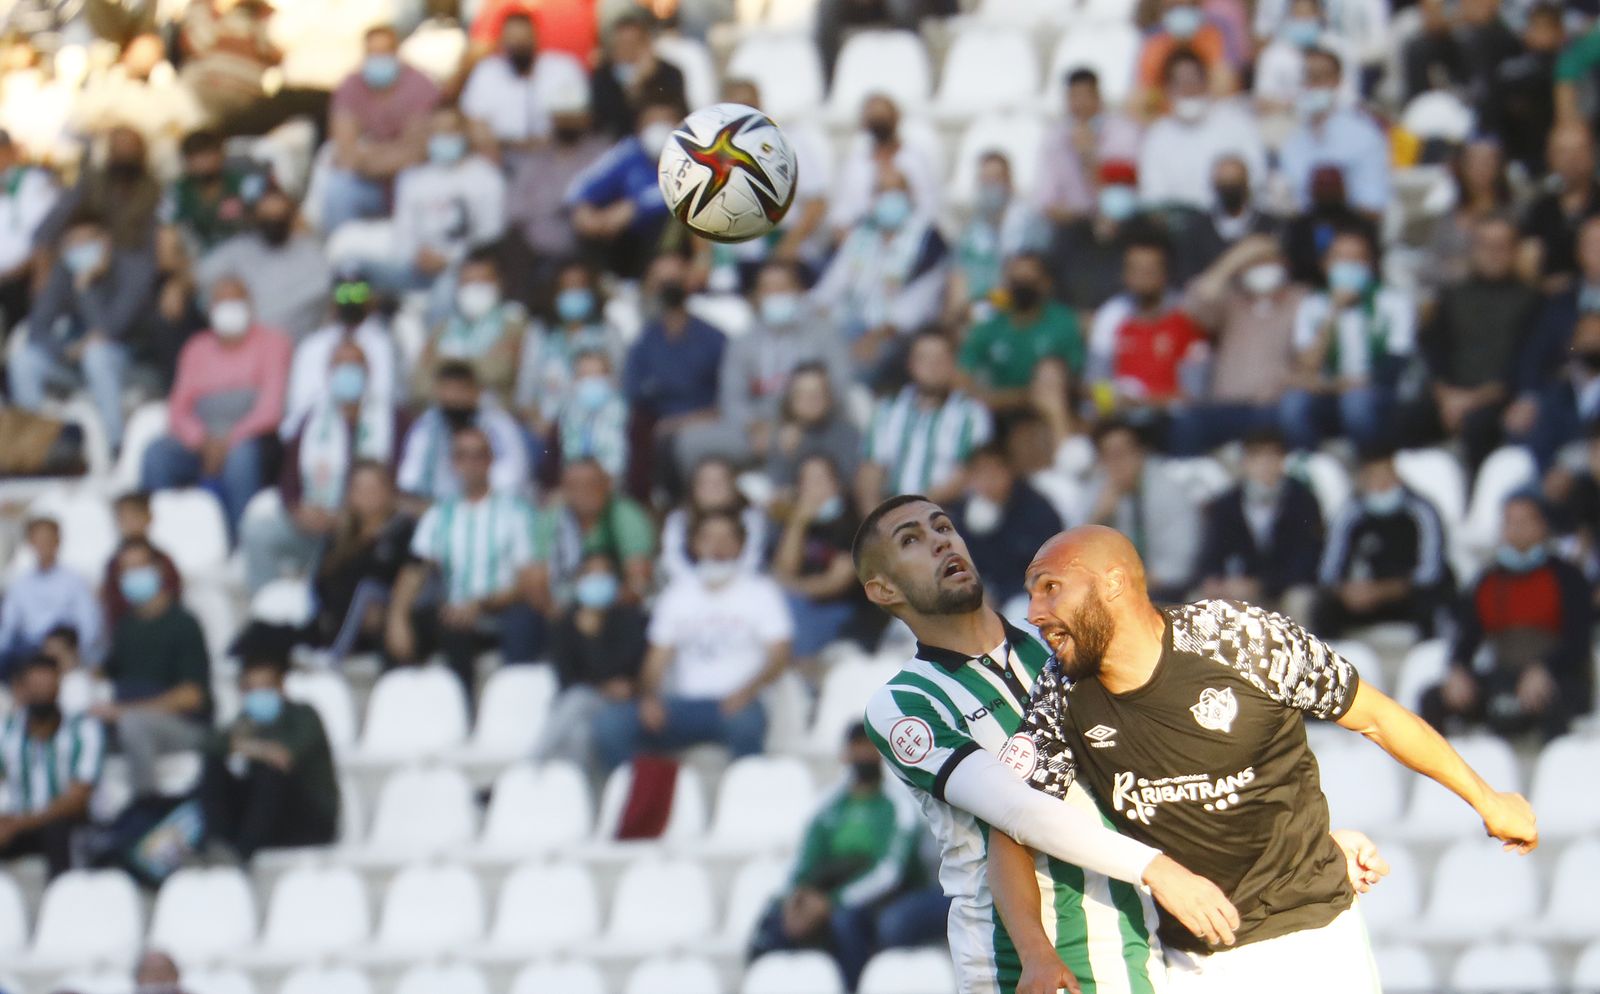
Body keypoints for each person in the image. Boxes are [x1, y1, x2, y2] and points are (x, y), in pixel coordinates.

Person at [1004, 524, 1534, 993]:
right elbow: (1014, 821)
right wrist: (1035, 952)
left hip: (1313, 939)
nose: (1033, 612)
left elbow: (1377, 717)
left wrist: (1488, 801)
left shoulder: (1236, 639)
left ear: (1114, 582)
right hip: (1190, 961)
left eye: (1051, 587)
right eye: (1031, 593)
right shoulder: (1061, 689)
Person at [852, 495, 1241, 994]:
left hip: (1132, 931)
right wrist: (1157, 869)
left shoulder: (1064, 637)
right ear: (883, 589)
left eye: (943, 526)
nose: (940, 541)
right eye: (912, 539)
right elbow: (1017, 807)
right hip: (1017, 960)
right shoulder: (903, 705)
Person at [749, 723, 945, 990]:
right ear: (845, 754)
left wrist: (830, 903)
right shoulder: (828, 807)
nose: (863, 756)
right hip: (832, 892)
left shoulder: (898, 806)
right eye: (857, 748)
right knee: (772, 925)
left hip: (888, 895)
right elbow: (805, 861)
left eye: (870, 749)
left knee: (845, 922)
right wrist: (796, 898)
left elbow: (889, 872)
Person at [594, 511, 792, 770]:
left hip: (740, 703)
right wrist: (649, 698)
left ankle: (744, 804)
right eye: (709, 538)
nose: (717, 547)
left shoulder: (761, 592)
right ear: (695, 544)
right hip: (682, 707)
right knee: (612, 724)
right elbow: (656, 660)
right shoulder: (677, 595)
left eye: (726, 538)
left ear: (740, 545)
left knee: (745, 724)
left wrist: (746, 692)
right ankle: (640, 799)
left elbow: (779, 656)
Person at [1423, 492, 1592, 741]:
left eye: (1523, 522)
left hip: (1556, 678)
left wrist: (1545, 669)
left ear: (1542, 526)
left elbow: (1577, 642)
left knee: (1554, 703)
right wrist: (1459, 669)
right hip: (1504, 675)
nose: (1515, 530)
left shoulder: (1567, 578)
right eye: (1509, 523)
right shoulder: (1488, 581)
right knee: (1433, 698)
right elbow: (1468, 637)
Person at [387, 426, 542, 696]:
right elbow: (415, 568)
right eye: (463, 456)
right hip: (454, 610)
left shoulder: (516, 512)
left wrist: (480, 604)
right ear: (453, 462)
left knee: (516, 623)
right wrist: (398, 616)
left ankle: (481, 711)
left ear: (490, 460)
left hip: (499, 608)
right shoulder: (440, 514)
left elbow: (526, 579)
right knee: (403, 631)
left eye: (478, 455)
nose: (471, 463)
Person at [244, 340, 407, 594]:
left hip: (368, 527)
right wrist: (300, 511)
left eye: (354, 365)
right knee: (260, 531)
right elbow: (288, 481)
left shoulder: (394, 418)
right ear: (328, 372)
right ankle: (266, 606)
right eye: (340, 365)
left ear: (369, 370)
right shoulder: (312, 419)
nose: (347, 372)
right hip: (316, 524)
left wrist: (351, 514)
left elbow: (401, 478)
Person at [141, 276, 292, 537]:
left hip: (251, 437)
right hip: (203, 438)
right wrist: (201, 440)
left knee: (241, 459)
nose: (229, 308)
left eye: (236, 301)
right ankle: (162, 539)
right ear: (210, 308)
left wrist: (228, 440)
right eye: (223, 302)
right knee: (157, 455)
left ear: (250, 305)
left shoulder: (274, 342)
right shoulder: (196, 348)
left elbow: (271, 408)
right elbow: (178, 408)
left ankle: (241, 539)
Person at [677, 260, 853, 472]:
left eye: (782, 288)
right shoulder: (743, 341)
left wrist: (800, 423)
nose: (775, 295)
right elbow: (732, 399)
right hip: (757, 431)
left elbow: (839, 387)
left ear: (798, 291)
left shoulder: (824, 333)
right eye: (767, 289)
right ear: (757, 296)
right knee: (689, 442)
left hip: (814, 428)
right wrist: (755, 426)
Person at [10, 209, 155, 451]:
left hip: (133, 363)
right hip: (79, 359)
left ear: (105, 240)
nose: (79, 248)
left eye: (86, 240)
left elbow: (109, 330)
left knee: (97, 354)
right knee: (24, 360)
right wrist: (67, 350)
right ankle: (37, 446)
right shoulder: (64, 271)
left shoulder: (133, 271)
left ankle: (114, 445)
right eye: (72, 243)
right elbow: (38, 326)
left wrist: (86, 286)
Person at [201, 624, 338, 861]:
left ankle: (241, 855)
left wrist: (245, 746)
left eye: (265, 688)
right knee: (214, 766)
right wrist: (245, 743)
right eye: (251, 689)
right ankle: (216, 844)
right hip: (270, 821)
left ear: (280, 685)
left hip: (308, 819)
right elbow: (215, 743)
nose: (257, 696)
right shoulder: (247, 721)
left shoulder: (303, 715)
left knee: (269, 773)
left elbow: (282, 756)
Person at [1424, 215, 1542, 476]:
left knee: (1479, 425)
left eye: (1501, 247)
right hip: (1450, 395)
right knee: (1407, 417)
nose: (1493, 254)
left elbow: (1522, 364)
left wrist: (1469, 401)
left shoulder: (1532, 301)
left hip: (1496, 398)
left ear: (1515, 251)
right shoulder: (1453, 295)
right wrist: (1446, 396)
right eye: (1485, 246)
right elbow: (1434, 350)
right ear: (1473, 250)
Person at [96, 539, 213, 800]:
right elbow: (107, 672)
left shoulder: (183, 624)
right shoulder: (125, 627)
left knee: (134, 724)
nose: (133, 576)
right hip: (128, 717)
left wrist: (125, 712)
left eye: (140, 567)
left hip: (185, 726)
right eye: (126, 570)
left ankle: (146, 805)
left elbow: (192, 696)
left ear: (158, 570)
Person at [1279, 226, 1415, 451]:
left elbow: (1394, 364)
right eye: (1341, 258)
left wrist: (1349, 385)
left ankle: (1370, 463)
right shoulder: (1312, 305)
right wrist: (1333, 311)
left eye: (1356, 259)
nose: (1348, 266)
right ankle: (1309, 465)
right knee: (1292, 405)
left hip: (1376, 392)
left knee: (1356, 403)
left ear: (1370, 266)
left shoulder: (1393, 302)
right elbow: (1307, 366)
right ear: (1325, 265)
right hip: (1329, 392)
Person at [812, 166, 949, 378]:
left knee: (863, 360)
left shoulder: (928, 241)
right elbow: (833, 284)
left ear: (910, 196)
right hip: (849, 321)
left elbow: (917, 304)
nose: (889, 197)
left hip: (895, 333)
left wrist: (877, 335)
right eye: (882, 190)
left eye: (896, 190)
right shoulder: (862, 234)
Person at [1171, 235, 1301, 454]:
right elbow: (1194, 303)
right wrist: (1235, 258)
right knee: (1187, 423)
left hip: (1272, 407)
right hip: (1226, 406)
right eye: (1254, 262)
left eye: (1268, 261)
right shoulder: (1231, 301)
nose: (1262, 268)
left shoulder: (1298, 300)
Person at [1313, 446, 1451, 638]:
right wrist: (1346, 593)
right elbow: (1329, 573)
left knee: (1431, 602)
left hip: (1404, 596)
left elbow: (1430, 573)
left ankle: (1428, 658)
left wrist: (1382, 592)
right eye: (1374, 477)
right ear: (1363, 479)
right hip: (1362, 598)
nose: (1381, 484)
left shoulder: (1422, 512)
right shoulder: (1350, 514)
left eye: (1386, 477)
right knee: (1322, 607)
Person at [376, 106, 506, 306]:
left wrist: (449, 259)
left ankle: (435, 335)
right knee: (352, 270)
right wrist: (416, 256)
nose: (443, 137)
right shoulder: (412, 177)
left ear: (463, 133)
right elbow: (402, 233)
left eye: (449, 131)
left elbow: (490, 236)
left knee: (443, 295)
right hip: (415, 267)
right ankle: (356, 328)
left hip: (459, 269)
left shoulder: (487, 178)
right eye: (437, 131)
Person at [856, 331, 993, 513]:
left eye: (940, 359)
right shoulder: (887, 410)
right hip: (892, 514)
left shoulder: (972, 413)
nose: (932, 366)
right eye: (925, 359)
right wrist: (874, 522)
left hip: (949, 514)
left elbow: (968, 473)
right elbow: (871, 471)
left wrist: (914, 512)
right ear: (911, 364)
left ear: (953, 364)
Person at [1196, 428, 1324, 619]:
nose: (1264, 465)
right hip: (1239, 588)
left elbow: (1307, 560)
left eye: (1272, 456)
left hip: (1284, 588)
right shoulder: (1227, 504)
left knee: (1301, 599)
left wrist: (1261, 584)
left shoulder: (1301, 500)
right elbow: (1212, 552)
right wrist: (1215, 579)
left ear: (1282, 461)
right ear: (1245, 463)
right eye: (1257, 457)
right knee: (1200, 599)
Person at [535, 552, 647, 769]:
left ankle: (526, 766)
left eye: (604, 575)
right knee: (580, 733)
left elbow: (628, 671)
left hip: (621, 705)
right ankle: (580, 796)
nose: (597, 581)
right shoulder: (564, 625)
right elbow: (567, 678)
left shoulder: (632, 621)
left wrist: (593, 639)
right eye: (591, 575)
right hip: (581, 703)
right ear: (579, 582)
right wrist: (604, 687)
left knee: (578, 700)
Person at [322, 25, 440, 232]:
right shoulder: (351, 85)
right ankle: (341, 255)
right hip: (369, 181)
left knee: (412, 178)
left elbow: (416, 151)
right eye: (373, 53)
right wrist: (385, 156)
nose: (378, 59)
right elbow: (346, 152)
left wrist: (369, 156)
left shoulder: (420, 84)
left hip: (410, 179)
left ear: (396, 53)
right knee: (337, 185)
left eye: (384, 52)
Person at [500, 85, 609, 305]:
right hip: (535, 252)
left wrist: (554, 204)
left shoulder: (601, 153)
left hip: (582, 246)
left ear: (586, 117)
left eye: (572, 115)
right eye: (562, 116)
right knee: (509, 246)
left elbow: (598, 199)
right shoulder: (536, 158)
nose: (567, 121)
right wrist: (558, 203)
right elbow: (514, 209)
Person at [621, 252, 727, 477]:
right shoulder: (645, 341)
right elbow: (633, 393)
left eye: (675, 281)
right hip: (656, 430)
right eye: (662, 282)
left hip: (703, 425)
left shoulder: (713, 338)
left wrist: (683, 422)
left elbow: (728, 398)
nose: (669, 288)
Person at [0, 653, 103, 878]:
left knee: (58, 829)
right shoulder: (7, 731)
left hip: (66, 826)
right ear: (21, 689)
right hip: (19, 825)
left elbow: (77, 800)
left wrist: (20, 823)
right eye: (35, 687)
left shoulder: (82, 730)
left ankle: (63, 901)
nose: (43, 694)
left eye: (49, 686)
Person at [1078, 419, 1203, 602]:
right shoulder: (1097, 491)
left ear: (1140, 452)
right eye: (1109, 456)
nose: (1117, 464)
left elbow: (1179, 565)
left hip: (1167, 593)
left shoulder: (1168, 491)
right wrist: (1097, 518)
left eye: (1122, 453)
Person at [1086, 235, 1207, 413]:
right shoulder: (1111, 315)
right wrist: (1111, 399)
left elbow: (1193, 394)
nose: (1141, 277)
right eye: (1134, 270)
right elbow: (1095, 381)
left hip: (1169, 421)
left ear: (1165, 274)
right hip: (1118, 419)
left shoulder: (1187, 317)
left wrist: (1143, 402)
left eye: (1149, 271)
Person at [195, 187, 333, 341]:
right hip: (243, 347)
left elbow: (326, 297)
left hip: (298, 346)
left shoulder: (312, 254)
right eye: (267, 217)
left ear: (292, 216)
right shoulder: (238, 249)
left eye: (279, 217)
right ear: (254, 216)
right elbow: (199, 277)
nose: (273, 223)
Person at [1137, 49, 1265, 213]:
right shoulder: (1157, 136)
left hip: (1232, 216)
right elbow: (1153, 195)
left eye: (1193, 80)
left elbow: (1256, 176)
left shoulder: (1237, 122)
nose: (1188, 89)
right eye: (1180, 82)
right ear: (1167, 89)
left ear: (1206, 82)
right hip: (1180, 223)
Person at [311, 462, 416, 660]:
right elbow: (321, 582)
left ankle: (334, 654)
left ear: (388, 491)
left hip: (383, 611)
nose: (368, 495)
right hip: (341, 617)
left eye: (373, 488)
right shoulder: (339, 536)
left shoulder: (403, 529)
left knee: (365, 589)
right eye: (360, 489)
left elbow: (409, 573)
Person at [566, 96, 679, 278]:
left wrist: (635, 207)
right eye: (652, 121)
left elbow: (680, 190)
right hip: (623, 244)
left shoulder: (692, 159)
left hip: (670, 246)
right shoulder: (629, 152)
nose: (658, 128)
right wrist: (584, 210)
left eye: (665, 120)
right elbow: (580, 186)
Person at [959, 253, 1084, 411]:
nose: (1021, 287)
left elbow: (1071, 379)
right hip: (998, 414)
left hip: (1046, 411)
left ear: (1045, 283)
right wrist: (1020, 397)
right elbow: (962, 376)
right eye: (1016, 281)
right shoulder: (991, 323)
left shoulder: (1062, 322)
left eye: (1029, 280)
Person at [280, 274, 400, 439]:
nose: (351, 299)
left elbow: (385, 399)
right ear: (332, 301)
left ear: (371, 299)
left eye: (358, 293)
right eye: (344, 293)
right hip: (317, 431)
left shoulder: (385, 345)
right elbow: (301, 406)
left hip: (369, 431)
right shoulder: (312, 346)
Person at [771, 454, 864, 666]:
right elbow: (785, 569)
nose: (815, 488)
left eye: (822, 480)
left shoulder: (851, 521)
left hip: (841, 609)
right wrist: (798, 523)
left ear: (837, 484)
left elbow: (835, 583)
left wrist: (791, 587)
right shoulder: (797, 520)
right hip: (799, 605)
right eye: (808, 482)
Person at [395, 361, 529, 506]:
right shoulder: (426, 427)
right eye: (448, 391)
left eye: (460, 390)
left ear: (476, 391)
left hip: (490, 503)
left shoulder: (499, 424)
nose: (454, 398)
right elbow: (410, 479)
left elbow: (512, 476)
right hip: (437, 506)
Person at [458, 11, 588, 158]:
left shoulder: (563, 67)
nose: (519, 44)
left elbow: (579, 119)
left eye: (523, 38)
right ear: (502, 40)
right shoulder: (486, 71)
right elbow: (474, 122)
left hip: (556, 153)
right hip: (502, 156)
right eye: (513, 38)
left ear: (535, 38)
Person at [1278, 48, 1391, 217]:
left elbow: (1374, 205)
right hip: (1303, 230)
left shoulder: (1365, 135)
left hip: (1351, 228)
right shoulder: (1292, 139)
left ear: (1337, 81)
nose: (1313, 85)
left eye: (1321, 77)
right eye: (1308, 77)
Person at [531, 457, 657, 608]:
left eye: (591, 484)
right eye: (574, 485)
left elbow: (639, 578)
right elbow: (540, 575)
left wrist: (598, 607)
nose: (583, 492)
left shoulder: (626, 515)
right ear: (563, 489)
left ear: (607, 484)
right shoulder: (553, 519)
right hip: (564, 606)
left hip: (619, 605)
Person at [950, 444, 1063, 608]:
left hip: (1027, 596)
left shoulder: (1037, 509)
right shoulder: (962, 514)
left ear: (1009, 470)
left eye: (993, 471)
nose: (988, 480)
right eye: (980, 473)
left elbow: (1049, 565)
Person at [516, 260, 623, 432]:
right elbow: (526, 389)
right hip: (546, 425)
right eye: (567, 287)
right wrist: (537, 423)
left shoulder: (607, 332)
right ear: (556, 292)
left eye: (579, 287)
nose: (574, 292)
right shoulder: (540, 332)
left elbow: (620, 381)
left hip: (598, 422)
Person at [414, 250, 526, 407]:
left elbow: (500, 371)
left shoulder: (514, 325)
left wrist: (444, 368)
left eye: (481, 282)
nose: (474, 290)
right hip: (444, 416)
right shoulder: (442, 329)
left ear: (499, 282)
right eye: (467, 282)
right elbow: (419, 384)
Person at [1033, 68, 1143, 225]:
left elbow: (1126, 191)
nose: (1079, 105)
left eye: (1085, 96)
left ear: (1098, 97)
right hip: (1074, 222)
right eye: (1073, 97)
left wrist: (1090, 156)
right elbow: (1046, 200)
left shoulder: (1123, 131)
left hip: (1119, 220)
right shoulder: (1054, 139)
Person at [949, 152, 1048, 314]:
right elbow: (958, 277)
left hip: (1020, 312)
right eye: (985, 180)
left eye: (995, 179)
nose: (990, 186)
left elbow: (1038, 275)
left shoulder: (1031, 225)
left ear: (1008, 181)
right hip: (978, 312)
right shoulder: (969, 233)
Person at [828, 94, 941, 235]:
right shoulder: (855, 164)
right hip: (860, 240)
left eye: (882, 118)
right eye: (873, 118)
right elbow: (841, 215)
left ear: (896, 118)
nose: (878, 123)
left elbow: (928, 209)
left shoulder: (915, 160)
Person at [0, 517, 101, 674]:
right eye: (38, 539)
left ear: (58, 541)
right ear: (30, 543)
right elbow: (8, 626)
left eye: (48, 539)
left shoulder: (75, 580)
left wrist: (77, 653)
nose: (43, 545)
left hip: (64, 650)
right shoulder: (20, 583)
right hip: (29, 651)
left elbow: (88, 624)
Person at [658, 456, 768, 584]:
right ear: (693, 488)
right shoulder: (679, 520)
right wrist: (702, 589)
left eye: (719, 483)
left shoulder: (751, 519)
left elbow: (753, 560)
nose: (713, 490)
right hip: (690, 590)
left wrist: (726, 588)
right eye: (705, 483)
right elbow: (672, 562)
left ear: (733, 487)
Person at [1518, 122, 1600, 293]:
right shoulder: (1540, 209)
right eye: (1563, 152)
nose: (1571, 159)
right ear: (1550, 156)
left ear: (1592, 154)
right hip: (1551, 301)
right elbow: (1527, 265)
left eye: (1579, 151)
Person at [766, 364, 862, 494]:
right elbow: (777, 490)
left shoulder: (849, 435)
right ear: (790, 400)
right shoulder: (783, 436)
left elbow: (852, 485)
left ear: (829, 397)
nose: (810, 401)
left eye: (817, 393)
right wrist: (786, 455)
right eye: (803, 394)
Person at [588, 13, 686, 139]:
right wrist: (637, 85)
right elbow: (604, 120)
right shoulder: (604, 76)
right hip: (620, 143)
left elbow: (681, 111)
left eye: (633, 43)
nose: (628, 50)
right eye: (623, 44)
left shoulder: (669, 72)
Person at [0, 128, 56, 324]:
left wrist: (13, 273)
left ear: (10, 152)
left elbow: (45, 237)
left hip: (21, 278)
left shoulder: (35, 183)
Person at [102, 491, 182, 627]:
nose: (129, 524)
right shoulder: (114, 564)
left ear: (149, 517)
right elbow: (113, 608)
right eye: (123, 518)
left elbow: (174, 596)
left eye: (134, 517)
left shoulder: (163, 559)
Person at [554, 348, 629, 480]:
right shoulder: (568, 410)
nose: (590, 382)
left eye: (596, 376)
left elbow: (616, 453)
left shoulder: (619, 409)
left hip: (610, 478)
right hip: (574, 477)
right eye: (584, 376)